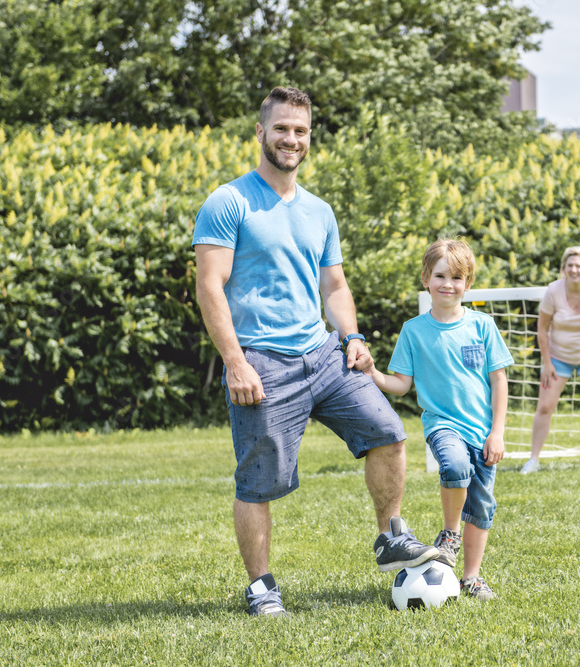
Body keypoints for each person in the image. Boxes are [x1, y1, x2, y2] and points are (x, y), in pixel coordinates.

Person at [192, 86, 438, 618]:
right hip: (261, 362)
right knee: (259, 482)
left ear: (310, 138)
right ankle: (261, 587)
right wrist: (235, 361)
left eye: (300, 130)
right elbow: (210, 286)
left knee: (389, 434)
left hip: (325, 354)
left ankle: (391, 536)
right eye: (281, 128)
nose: (291, 139)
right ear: (260, 132)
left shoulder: (320, 211)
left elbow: (334, 287)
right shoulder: (228, 201)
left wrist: (351, 336)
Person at [366, 239, 513, 601]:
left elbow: (499, 381)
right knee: (454, 465)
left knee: (481, 508)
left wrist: (497, 433)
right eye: (441, 275)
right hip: (443, 425)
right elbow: (400, 384)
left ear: (468, 283)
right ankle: (449, 534)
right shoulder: (414, 331)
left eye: (457, 277)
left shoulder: (482, 326)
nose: (449, 284)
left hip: (483, 431)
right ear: (426, 279)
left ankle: (472, 578)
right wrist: (372, 372)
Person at [521, 246, 580, 474]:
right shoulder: (553, 290)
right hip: (557, 356)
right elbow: (542, 329)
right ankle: (533, 460)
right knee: (545, 406)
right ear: (564, 269)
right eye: (570, 265)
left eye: (578, 266)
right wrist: (547, 363)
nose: (574, 269)